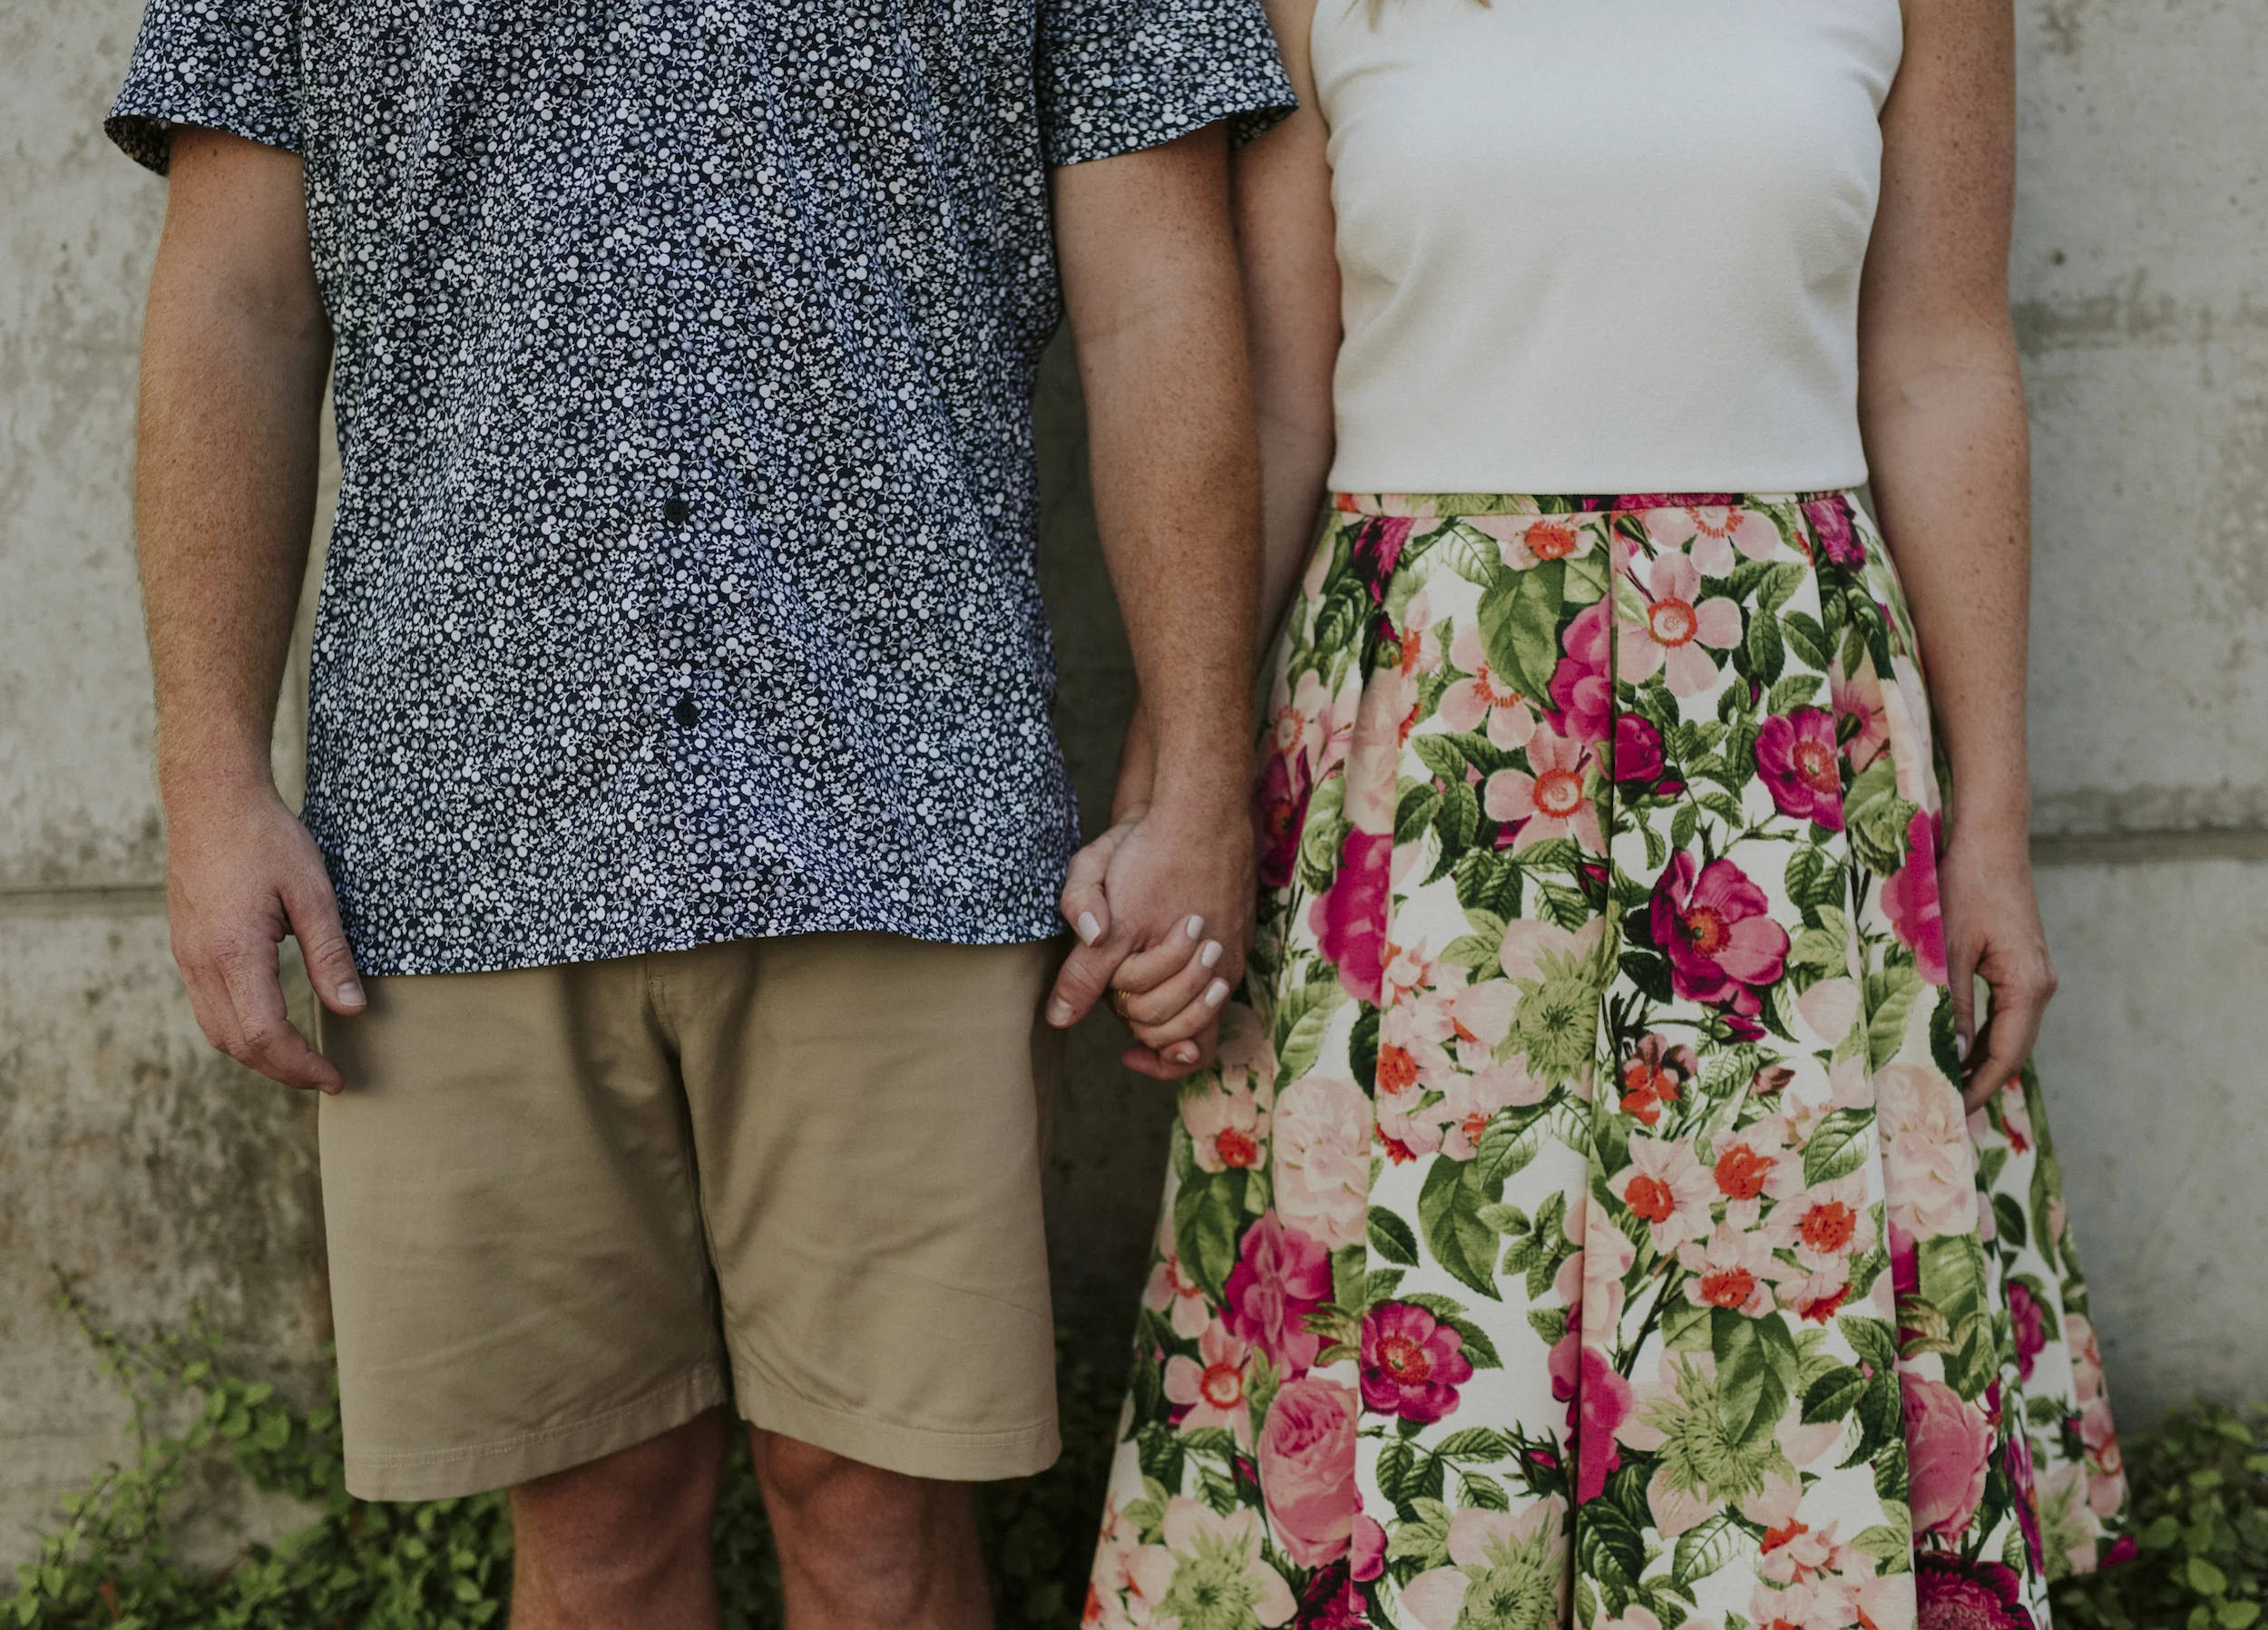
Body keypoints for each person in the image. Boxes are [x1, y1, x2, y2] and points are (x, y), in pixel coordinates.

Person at [107, 1, 1289, 1623]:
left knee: (879, 1522)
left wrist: (1205, 773)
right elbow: (238, 300)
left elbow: (1155, 296)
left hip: (902, 798)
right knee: (593, 1527)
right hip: (465, 822)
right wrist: (208, 783)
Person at [1074, 0, 2139, 1625]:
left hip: (1780, 756)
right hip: (1422, 755)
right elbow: (1279, 409)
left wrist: (1993, 821)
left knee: (1770, 1370)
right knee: (1426, 1352)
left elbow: (1938, 364)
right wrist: (1182, 786)